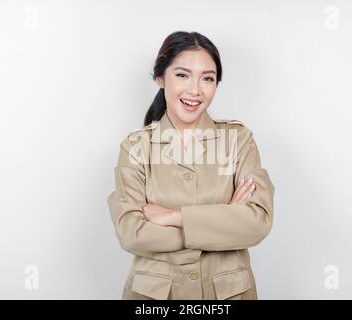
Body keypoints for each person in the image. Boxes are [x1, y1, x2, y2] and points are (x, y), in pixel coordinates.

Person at [107, 31, 275, 300]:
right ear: (160, 78)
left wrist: (175, 217)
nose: (195, 90)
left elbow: (257, 222)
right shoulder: (136, 147)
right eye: (182, 75)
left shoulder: (238, 140)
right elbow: (132, 234)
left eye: (207, 78)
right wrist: (223, 220)